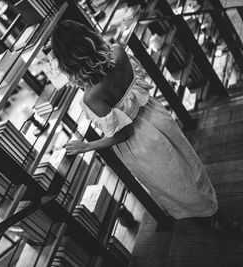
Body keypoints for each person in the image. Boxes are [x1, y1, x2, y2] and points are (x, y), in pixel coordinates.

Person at [51, 20, 241, 233]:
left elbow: (121, 134)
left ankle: (209, 217)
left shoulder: (91, 96)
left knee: (173, 182)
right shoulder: (118, 52)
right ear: (88, 37)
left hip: (140, 143)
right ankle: (211, 210)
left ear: (68, 61)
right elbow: (136, 85)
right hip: (156, 116)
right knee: (186, 165)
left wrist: (85, 146)